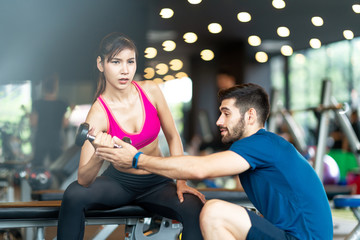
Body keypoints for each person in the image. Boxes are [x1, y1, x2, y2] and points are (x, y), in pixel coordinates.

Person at [96, 83, 333, 240]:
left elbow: (201, 168)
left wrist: (137, 159)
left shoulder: (262, 143)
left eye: (226, 113)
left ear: (250, 115)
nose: (219, 121)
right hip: (291, 234)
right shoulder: (261, 146)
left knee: (214, 211)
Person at [57, 32, 205, 240]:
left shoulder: (150, 91)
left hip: (157, 181)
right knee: (73, 194)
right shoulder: (98, 113)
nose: (125, 70)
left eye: (130, 61)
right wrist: (100, 153)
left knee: (194, 206)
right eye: (116, 62)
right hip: (121, 183)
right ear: (101, 64)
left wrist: (181, 181)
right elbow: (84, 179)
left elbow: (173, 136)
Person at [30, 73, 69, 167]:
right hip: (56, 139)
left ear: (44, 86)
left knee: (37, 166)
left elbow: (34, 123)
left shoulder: (37, 103)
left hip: (41, 138)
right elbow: (65, 124)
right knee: (58, 166)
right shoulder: (62, 104)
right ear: (56, 87)